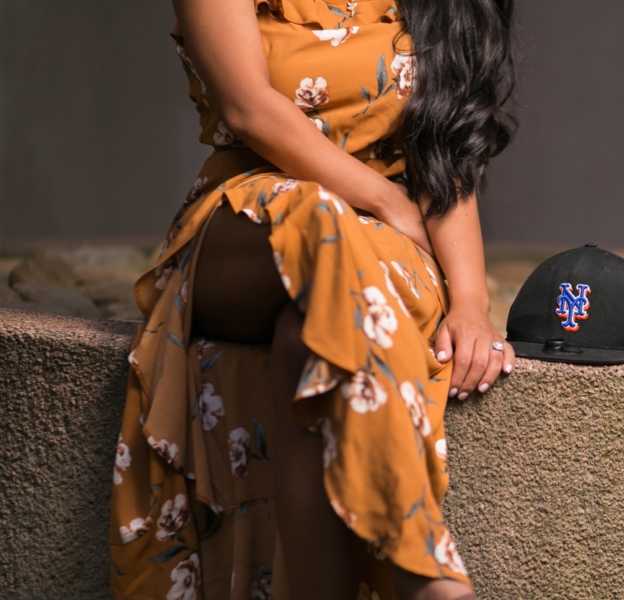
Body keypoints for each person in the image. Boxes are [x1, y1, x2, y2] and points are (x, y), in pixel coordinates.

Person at [107, 0, 518, 598]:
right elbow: (247, 107)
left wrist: (471, 303)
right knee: (321, 219)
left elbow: (445, 149)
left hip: (386, 251)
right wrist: (383, 202)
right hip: (251, 225)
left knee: (309, 344)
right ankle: (415, 562)